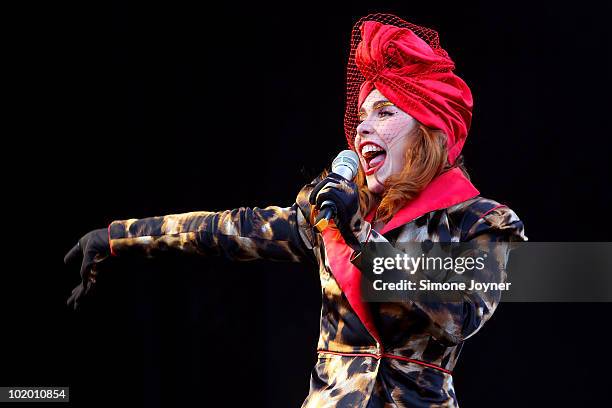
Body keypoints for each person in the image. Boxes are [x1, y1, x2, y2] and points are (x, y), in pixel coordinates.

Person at [65, 13, 527, 407]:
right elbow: (229, 230)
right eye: (362, 115)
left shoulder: (483, 221)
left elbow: (460, 314)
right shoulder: (334, 210)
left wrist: (358, 234)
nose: (363, 126)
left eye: (384, 113)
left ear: (428, 129)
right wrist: (116, 236)